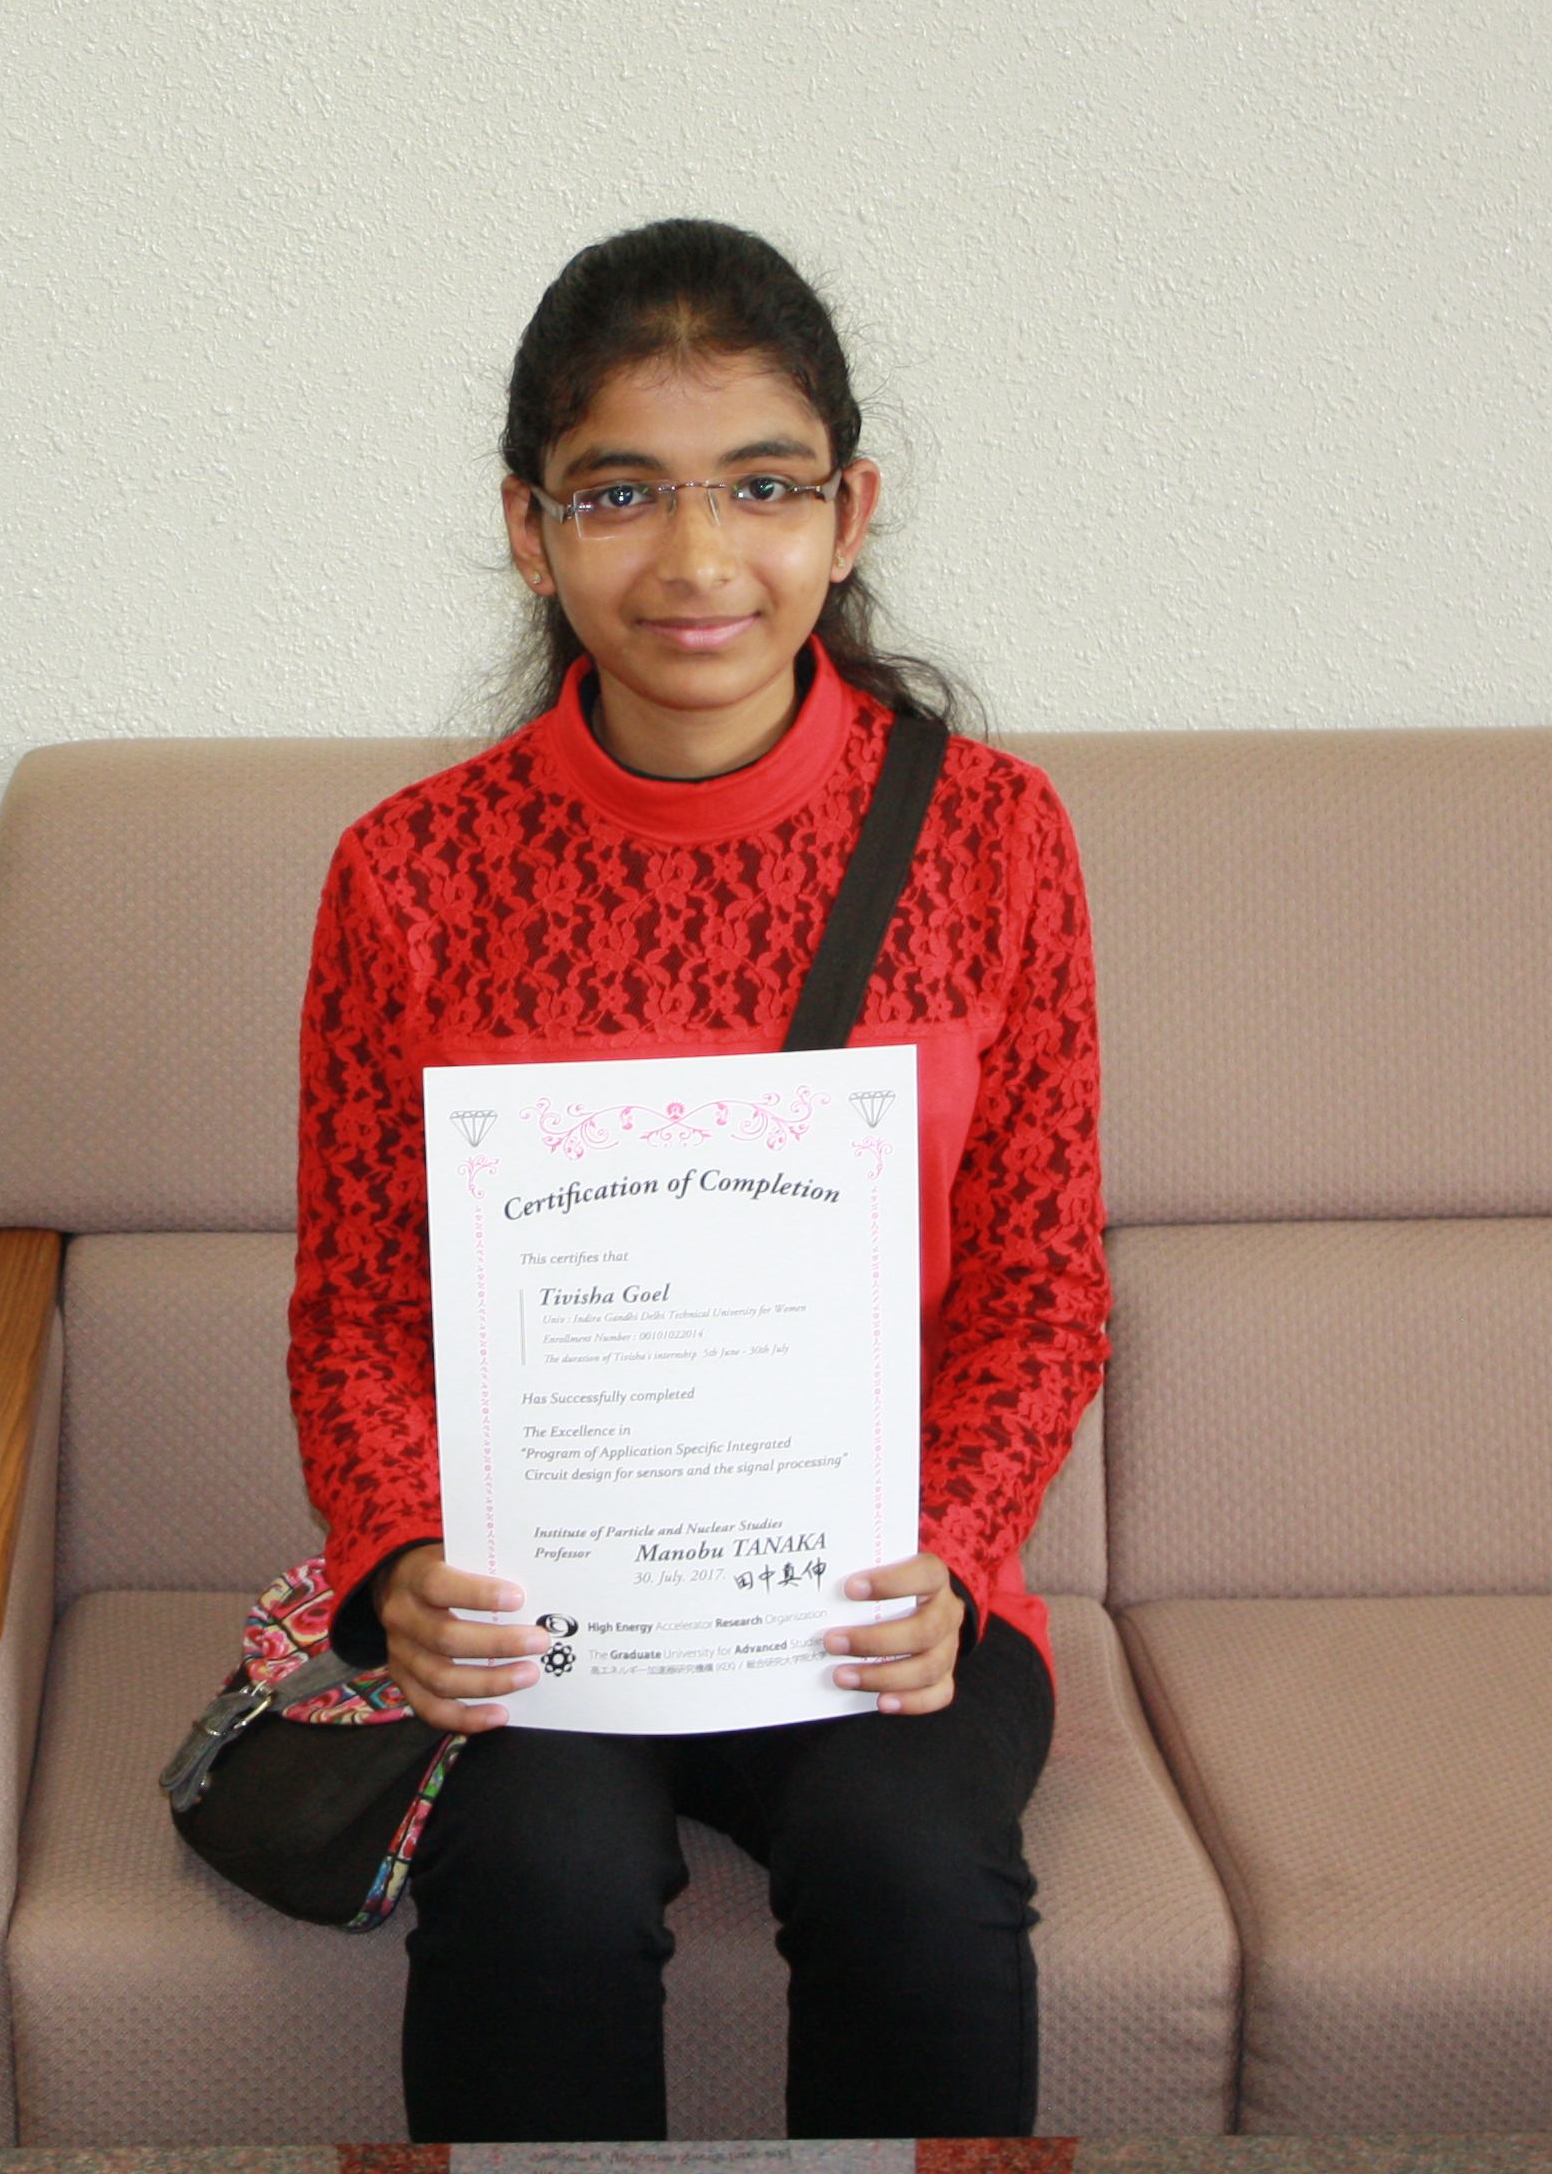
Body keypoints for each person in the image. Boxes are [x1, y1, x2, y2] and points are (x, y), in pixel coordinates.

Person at [287, 219, 1109, 2141]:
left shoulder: (994, 839)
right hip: (544, 1600)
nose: (695, 558)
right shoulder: (409, 873)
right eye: (620, 493)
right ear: (530, 528)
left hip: (874, 1595)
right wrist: (404, 1556)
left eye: (760, 486)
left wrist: (954, 1549)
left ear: (849, 513)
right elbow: (359, 1303)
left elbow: (1043, 1282)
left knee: (920, 1876)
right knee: (538, 1882)